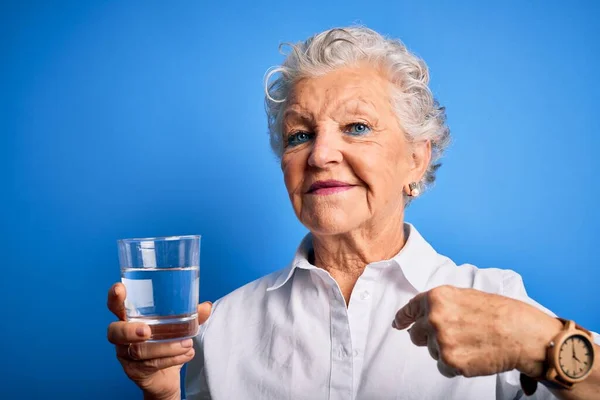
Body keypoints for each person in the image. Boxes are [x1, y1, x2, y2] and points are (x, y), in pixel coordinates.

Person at [106, 27, 600, 399]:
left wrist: (540, 342)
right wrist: (163, 392)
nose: (320, 155)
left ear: (416, 157)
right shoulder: (222, 327)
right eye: (300, 135)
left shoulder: (495, 300)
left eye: (357, 127)